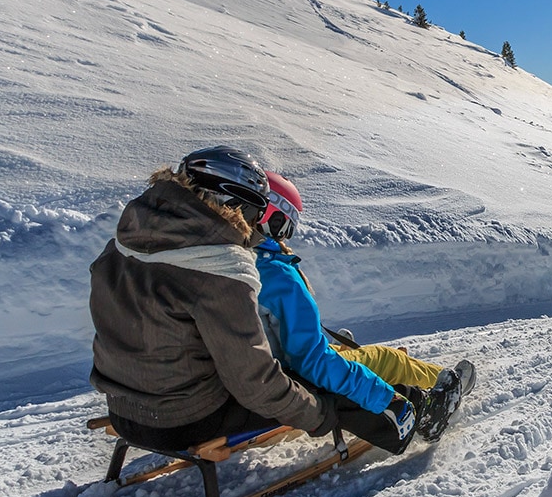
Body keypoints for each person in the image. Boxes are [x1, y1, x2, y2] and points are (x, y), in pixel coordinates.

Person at [89, 146, 358, 453]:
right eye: (255, 212)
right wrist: (320, 413)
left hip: (123, 411)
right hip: (183, 423)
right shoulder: (220, 270)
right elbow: (256, 384)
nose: (255, 227)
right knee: (314, 385)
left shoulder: (124, 244)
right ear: (233, 203)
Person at [254, 171, 474, 443]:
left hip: (269, 370)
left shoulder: (234, 264)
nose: (286, 235)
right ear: (269, 216)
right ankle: (442, 391)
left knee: (350, 354)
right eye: (286, 224)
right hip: (293, 375)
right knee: (386, 358)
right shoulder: (274, 274)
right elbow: (311, 361)